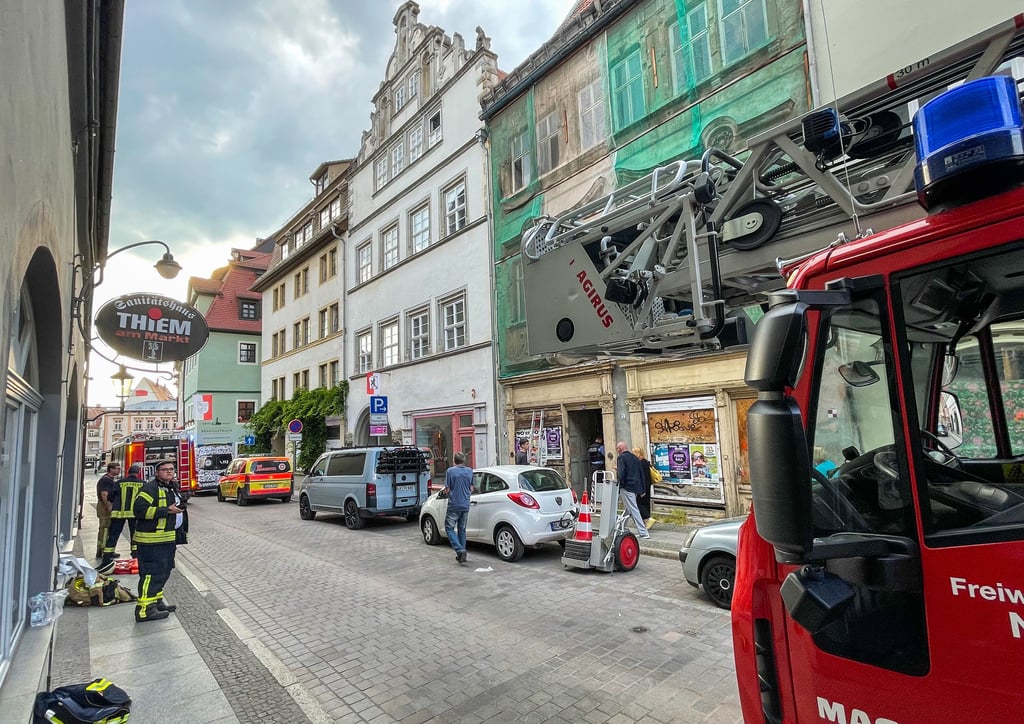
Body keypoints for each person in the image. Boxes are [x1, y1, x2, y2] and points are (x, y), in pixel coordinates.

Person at [132, 460, 188, 622]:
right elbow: (139, 510)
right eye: (165, 470)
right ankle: (144, 610)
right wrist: (166, 510)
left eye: (171, 469)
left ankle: (156, 602)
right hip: (151, 541)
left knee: (164, 571)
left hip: (167, 539)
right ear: (157, 472)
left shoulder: (171, 486)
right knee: (151, 574)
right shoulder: (150, 488)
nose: (169, 472)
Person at [98, 463, 145, 573]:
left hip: (118, 514)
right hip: (134, 514)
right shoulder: (142, 484)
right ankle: (135, 556)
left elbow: (110, 496)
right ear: (138, 473)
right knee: (135, 535)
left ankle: (107, 557)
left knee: (113, 535)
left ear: (128, 473)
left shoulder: (119, 483)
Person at [443, 451, 474, 564]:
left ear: (454, 461)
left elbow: (447, 489)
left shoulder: (450, 471)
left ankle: (460, 550)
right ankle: (462, 554)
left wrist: (449, 493)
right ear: (463, 460)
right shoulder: (470, 471)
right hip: (465, 504)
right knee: (462, 529)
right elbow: (471, 488)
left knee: (449, 528)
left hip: (454, 504)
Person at [615, 442, 649, 539]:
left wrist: (619, 484)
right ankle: (621, 528)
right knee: (628, 509)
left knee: (633, 509)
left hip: (626, 487)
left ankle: (643, 532)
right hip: (635, 487)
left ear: (620, 449)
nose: (617, 451)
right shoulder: (635, 458)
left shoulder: (621, 458)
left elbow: (621, 473)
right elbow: (641, 473)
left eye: (617, 449)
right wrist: (642, 489)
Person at [94, 463, 121, 560]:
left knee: (105, 528)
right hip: (104, 506)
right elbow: (104, 494)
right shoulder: (106, 481)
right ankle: (103, 550)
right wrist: (109, 506)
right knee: (105, 528)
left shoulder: (108, 479)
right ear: (111, 469)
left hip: (104, 505)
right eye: (117, 468)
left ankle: (102, 549)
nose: (119, 470)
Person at [632, 447, 655, 529]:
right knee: (646, 504)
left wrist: (641, 489)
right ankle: (647, 523)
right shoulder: (645, 462)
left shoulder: (639, 463)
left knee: (638, 504)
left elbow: (640, 477)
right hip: (647, 486)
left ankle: (648, 518)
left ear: (637, 454)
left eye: (633, 453)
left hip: (642, 487)